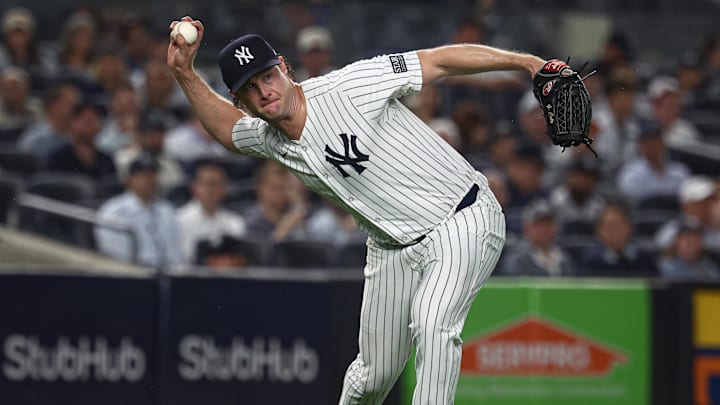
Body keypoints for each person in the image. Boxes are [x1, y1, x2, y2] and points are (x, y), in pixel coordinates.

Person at [167, 17, 544, 404]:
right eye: (250, 88)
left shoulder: (349, 87)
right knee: (371, 378)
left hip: (461, 217)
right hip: (390, 246)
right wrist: (184, 72)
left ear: (283, 67)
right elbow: (228, 132)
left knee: (434, 325)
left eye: (266, 76)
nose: (263, 91)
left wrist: (527, 63)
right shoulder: (269, 136)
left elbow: (439, 61)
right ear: (239, 100)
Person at [95, 154, 182, 268]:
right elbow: (115, 257)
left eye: (152, 174)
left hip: (168, 276)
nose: (150, 179)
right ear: (129, 180)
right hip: (131, 277)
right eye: (143, 175)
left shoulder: (167, 210)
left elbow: (175, 255)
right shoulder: (112, 212)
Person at [177, 162, 246, 265]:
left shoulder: (235, 222)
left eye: (215, 184)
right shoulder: (179, 220)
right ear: (194, 188)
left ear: (225, 189)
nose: (210, 190)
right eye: (206, 184)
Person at [500, 198, 575, 276]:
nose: (544, 229)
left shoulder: (565, 260)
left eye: (548, 224)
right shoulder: (516, 260)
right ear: (527, 228)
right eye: (538, 225)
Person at [580, 203, 658, 277]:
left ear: (629, 228)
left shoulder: (643, 259)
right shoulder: (591, 262)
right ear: (599, 231)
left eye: (618, 225)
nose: (613, 231)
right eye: (609, 226)